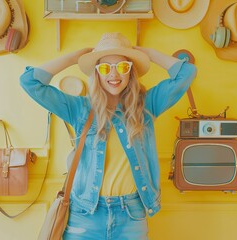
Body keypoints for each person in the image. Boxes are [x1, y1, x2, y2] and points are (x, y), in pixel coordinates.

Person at [20, 32, 196, 239]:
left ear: (131, 72)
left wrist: (148, 54)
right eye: (105, 68)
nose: (114, 75)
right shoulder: (80, 109)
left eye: (122, 67)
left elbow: (187, 73)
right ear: (97, 73)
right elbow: (29, 81)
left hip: (130, 214)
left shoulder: (147, 106)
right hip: (85, 214)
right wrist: (74, 58)